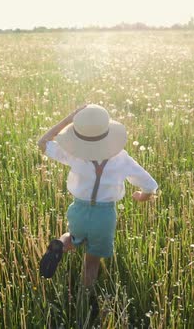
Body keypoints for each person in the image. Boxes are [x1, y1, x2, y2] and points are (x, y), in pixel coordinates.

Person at [37, 104, 158, 289]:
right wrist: (142, 196)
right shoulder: (121, 158)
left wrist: (69, 118)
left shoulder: (73, 154)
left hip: (79, 210)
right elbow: (149, 184)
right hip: (104, 216)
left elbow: (43, 143)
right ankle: (85, 297)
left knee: (72, 237)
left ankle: (60, 245)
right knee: (92, 261)